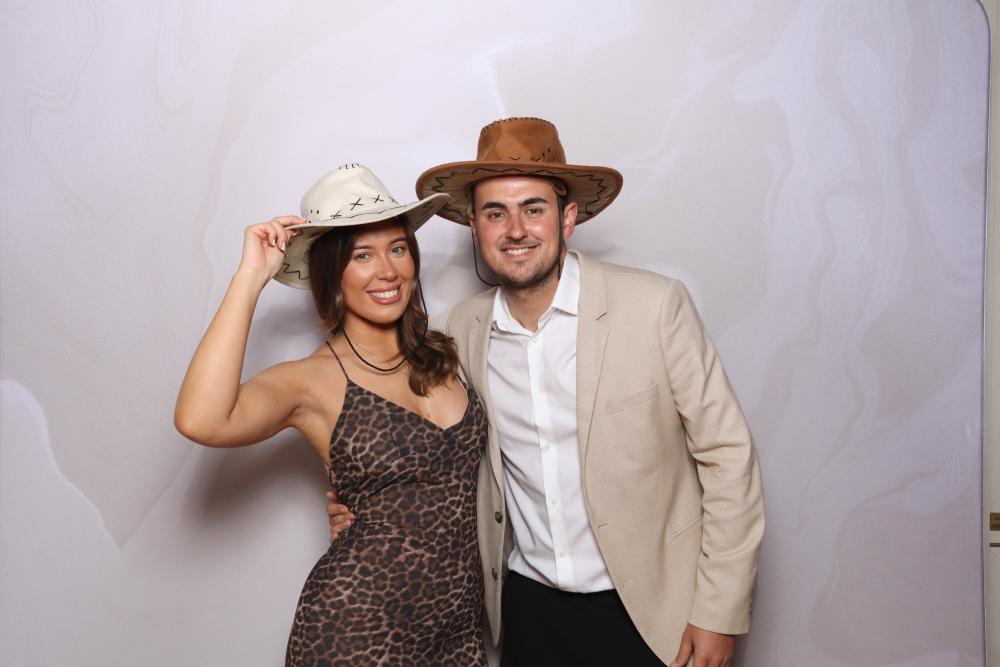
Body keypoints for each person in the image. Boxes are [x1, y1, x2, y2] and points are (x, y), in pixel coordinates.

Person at [332, 117, 765, 666]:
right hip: (528, 612)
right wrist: (366, 505)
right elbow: (431, 447)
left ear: (568, 217)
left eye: (533, 209)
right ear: (474, 227)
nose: (515, 230)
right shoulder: (463, 331)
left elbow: (729, 457)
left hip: (655, 612)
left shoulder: (654, 307)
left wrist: (719, 613)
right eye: (496, 213)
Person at [174, 163, 488, 666]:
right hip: (356, 630)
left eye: (397, 248)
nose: (387, 271)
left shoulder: (447, 354)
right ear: (331, 272)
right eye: (362, 255)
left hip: (457, 630)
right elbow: (201, 420)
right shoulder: (313, 380)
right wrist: (250, 279)